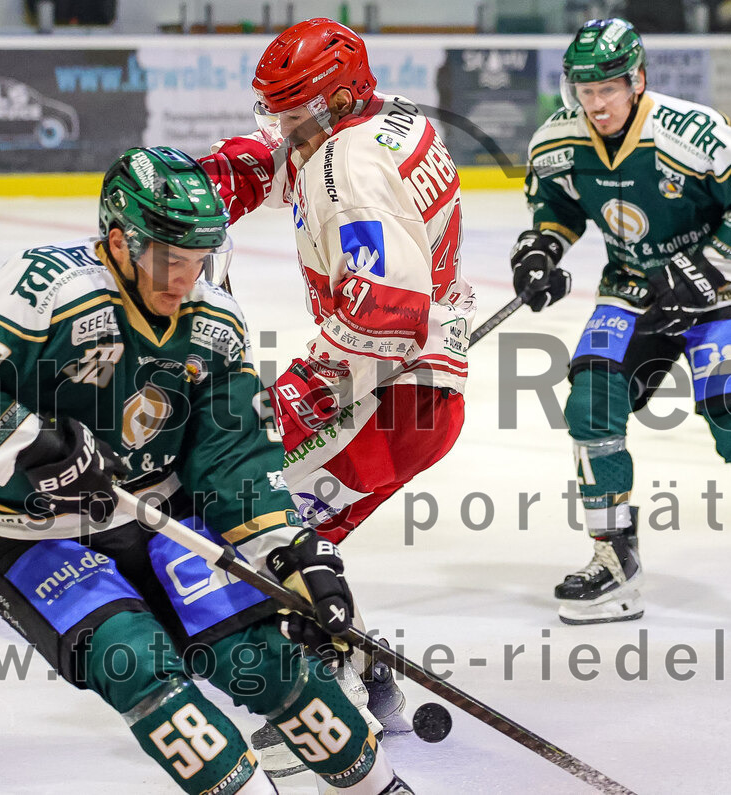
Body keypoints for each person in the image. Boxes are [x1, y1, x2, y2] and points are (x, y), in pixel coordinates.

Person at [0, 146, 413, 794]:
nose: (185, 278)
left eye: (199, 259)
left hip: (160, 515)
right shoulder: (44, 288)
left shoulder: (214, 320)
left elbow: (233, 455)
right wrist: (36, 446)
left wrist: (292, 553)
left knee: (266, 660)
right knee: (138, 664)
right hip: (28, 533)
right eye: (170, 258)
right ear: (119, 241)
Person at [197, 16, 476, 762]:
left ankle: (331, 701)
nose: (281, 130)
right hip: (419, 394)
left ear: (337, 102)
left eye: (293, 114)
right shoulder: (388, 118)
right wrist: (206, 183)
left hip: (388, 399)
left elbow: (387, 313)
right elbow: (281, 159)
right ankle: (362, 673)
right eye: (276, 111)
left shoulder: (351, 172)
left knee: (247, 523)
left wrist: (289, 403)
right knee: (288, 536)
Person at [509, 18, 731, 639]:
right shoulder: (557, 140)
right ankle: (615, 558)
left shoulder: (693, 133)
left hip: (722, 292)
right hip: (634, 289)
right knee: (591, 400)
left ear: (636, 80)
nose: (596, 103)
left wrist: (695, 271)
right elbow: (555, 207)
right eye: (585, 89)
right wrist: (540, 252)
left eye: (608, 88)